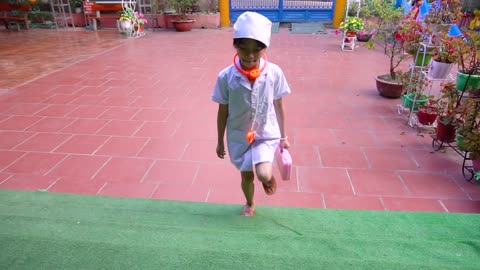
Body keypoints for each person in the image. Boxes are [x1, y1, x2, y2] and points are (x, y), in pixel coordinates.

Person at [211, 12, 291, 217]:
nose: (249, 56)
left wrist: (284, 137)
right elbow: (222, 111)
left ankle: (266, 179)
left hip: (265, 132)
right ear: (235, 46)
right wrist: (220, 141)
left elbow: (279, 104)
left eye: (256, 50)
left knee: (263, 173)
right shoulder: (226, 76)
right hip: (239, 135)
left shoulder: (274, 73)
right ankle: (250, 202)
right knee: (246, 175)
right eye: (243, 48)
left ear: (264, 49)